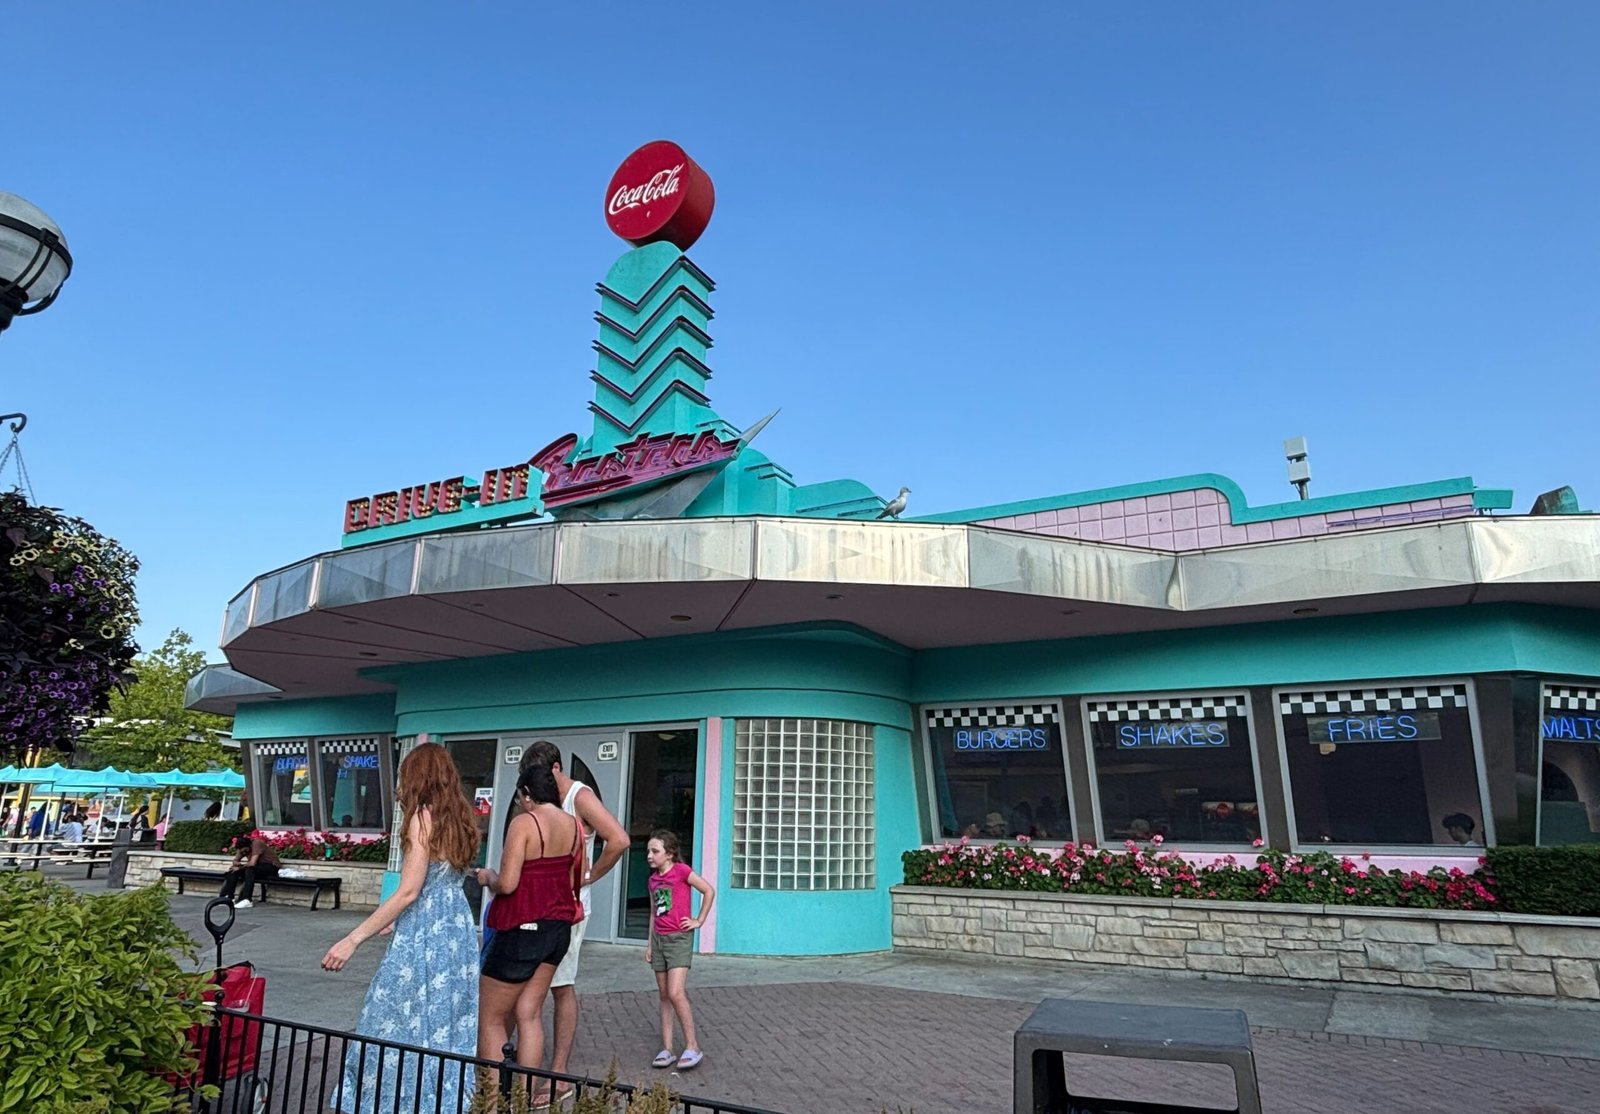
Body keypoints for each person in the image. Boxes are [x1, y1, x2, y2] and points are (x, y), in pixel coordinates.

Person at [321, 742, 481, 1113]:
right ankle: (440, 1102)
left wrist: (352, 938)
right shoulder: (457, 818)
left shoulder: (421, 819)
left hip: (425, 934)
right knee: (445, 1025)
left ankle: (394, 1102)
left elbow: (409, 891)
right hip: (455, 932)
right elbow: (437, 883)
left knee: (391, 1019)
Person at [519, 741, 631, 1096]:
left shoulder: (579, 797)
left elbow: (619, 839)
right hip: (538, 904)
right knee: (529, 984)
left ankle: (559, 1072)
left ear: (556, 769)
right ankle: (523, 1068)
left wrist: (590, 876)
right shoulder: (543, 801)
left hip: (568, 907)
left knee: (561, 985)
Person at [475, 761, 584, 1092]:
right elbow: (573, 877)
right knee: (529, 1011)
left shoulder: (525, 823)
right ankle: (525, 1096)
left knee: (492, 1018)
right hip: (558, 928)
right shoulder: (573, 825)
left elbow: (508, 883)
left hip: (522, 926)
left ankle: (491, 1103)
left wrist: (487, 877)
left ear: (526, 794)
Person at [644, 828, 715, 1072]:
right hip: (660, 940)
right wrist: (650, 944)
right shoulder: (653, 880)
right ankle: (667, 1048)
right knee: (664, 994)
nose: (650, 856)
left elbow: (708, 890)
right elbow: (654, 913)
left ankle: (692, 1045)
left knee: (675, 992)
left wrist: (699, 920)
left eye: (655, 851)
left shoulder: (682, 872)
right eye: (648, 851)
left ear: (670, 853)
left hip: (679, 939)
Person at [218, 832, 282, 909]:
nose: (244, 853)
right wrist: (237, 864)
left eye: (245, 851)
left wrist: (240, 867)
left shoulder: (257, 844)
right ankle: (228, 897)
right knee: (233, 871)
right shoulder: (241, 848)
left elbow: (252, 863)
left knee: (249, 870)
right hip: (257, 867)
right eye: (241, 852)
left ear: (248, 846)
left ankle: (247, 899)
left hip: (271, 866)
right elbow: (235, 860)